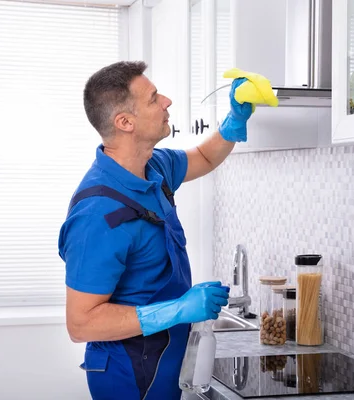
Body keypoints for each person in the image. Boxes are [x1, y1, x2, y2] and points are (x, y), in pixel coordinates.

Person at [58, 60, 253, 400]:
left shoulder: (153, 167)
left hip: (164, 365)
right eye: (152, 98)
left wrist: (232, 123)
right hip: (129, 376)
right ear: (125, 122)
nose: (166, 101)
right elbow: (81, 324)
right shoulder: (97, 214)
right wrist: (180, 309)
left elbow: (204, 158)